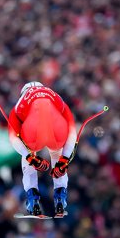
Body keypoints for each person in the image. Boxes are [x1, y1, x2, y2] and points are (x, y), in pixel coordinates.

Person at [8, 81, 77, 217]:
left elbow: (12, 138)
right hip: (57, 133)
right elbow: (72, 132)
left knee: (28, 152)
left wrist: (29, 157)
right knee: (57, 152)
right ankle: (60, 197)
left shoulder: (20, 103)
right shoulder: (56, 97)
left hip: (32, 135)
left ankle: (32, 199)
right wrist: (64, 159)